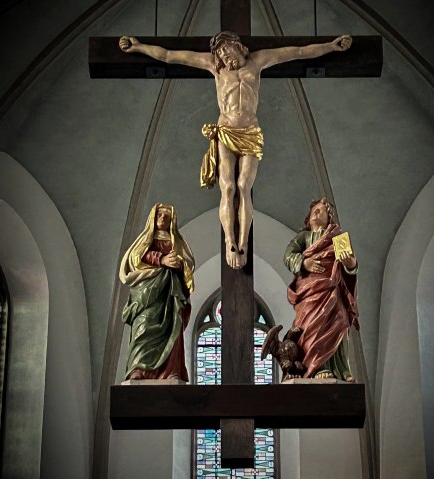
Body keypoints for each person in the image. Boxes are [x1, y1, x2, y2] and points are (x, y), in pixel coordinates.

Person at [119, 32, 352, 269]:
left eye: (225, 49)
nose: (222, 56)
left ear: (239, 47)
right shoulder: (215, 67)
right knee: (228, 187)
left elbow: (298, 52)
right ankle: (230, 241)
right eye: (218, 52)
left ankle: (243, 243)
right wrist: (139, 47)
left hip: (250, 131)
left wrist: (331, 47)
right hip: (226, 130)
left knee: (244, 186)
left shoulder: (258, 60)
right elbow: (170, 56)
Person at [284, 198, 359, 381]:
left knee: (339, 320)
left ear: (329, 218)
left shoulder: (338, 238)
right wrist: (304, 261)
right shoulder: (303, 238)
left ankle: (340, 368)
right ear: (308, 219)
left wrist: (351, 264)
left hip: (332, 288)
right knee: (311, 324)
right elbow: (288, 255)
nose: (317, 213)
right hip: (309, 291)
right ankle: (316, 367)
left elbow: (349, 268)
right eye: (314, 211)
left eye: (321, 211)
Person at [119, 203, 195, 381]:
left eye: (167, 217)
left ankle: (170, 370)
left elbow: (187, 262)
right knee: (143, 326)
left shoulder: (177, 241)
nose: (162, 219)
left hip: (170, 292)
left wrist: (178, 263)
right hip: (148, 291)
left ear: (172, 221)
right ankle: (139, 368)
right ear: (153, 218)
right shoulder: (146, 239)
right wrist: (161, 259)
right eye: (159, 216)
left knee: (172, 326)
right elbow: (136, 258)